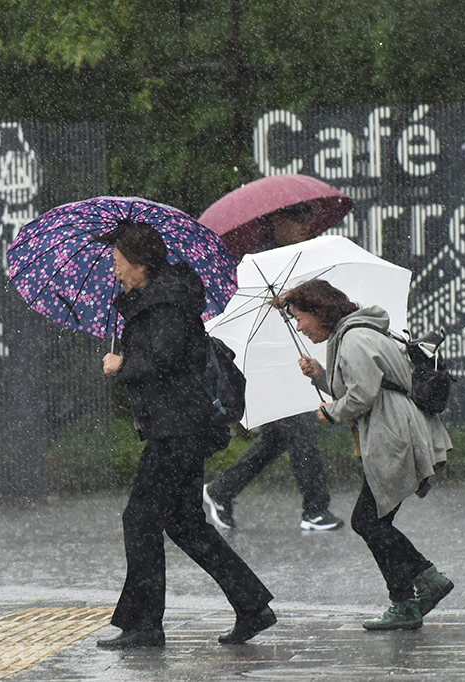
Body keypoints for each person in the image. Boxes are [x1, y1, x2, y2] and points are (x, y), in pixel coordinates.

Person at [95, 221, 276, 649]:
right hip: (179, 427)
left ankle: (144, 625)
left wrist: (123, 367)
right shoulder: (155, 300)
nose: (116, 271)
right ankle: (251, 605)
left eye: (120, 263)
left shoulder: (167, 303)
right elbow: (163, 358)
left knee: (140, 518)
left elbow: (166, 360)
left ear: (140, 264)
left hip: (180, 430)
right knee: (184, 523)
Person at [276, 278, 454, 631]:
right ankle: (412, 593)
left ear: (318, 311)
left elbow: (360, 395)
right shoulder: (352, 335)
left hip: (393, 435)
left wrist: (331, 412)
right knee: (375, 521)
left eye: (300, 317)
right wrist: (320, 375)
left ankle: (418, 588)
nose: (299, 326)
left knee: (367, 521)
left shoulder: (354, 339)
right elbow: (356, 383)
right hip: (394, 431)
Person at [203, 203, 345, 532]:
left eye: (308, 217)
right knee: (301, 432)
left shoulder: (300, 258)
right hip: (266, 365)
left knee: (279, 438)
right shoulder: (258, 263)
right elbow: (240, 313)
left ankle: (220, 490)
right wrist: (274, 306)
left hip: (289, 363)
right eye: (299, 218)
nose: (306, 224)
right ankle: (315, 509)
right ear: (278, 220)